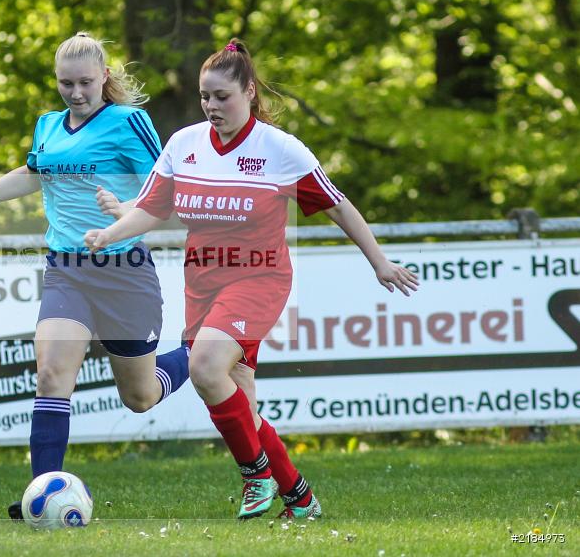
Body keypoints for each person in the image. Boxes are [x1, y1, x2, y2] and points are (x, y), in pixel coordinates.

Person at [85, 39, 419, 520]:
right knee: (237, 398)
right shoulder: (185, 144)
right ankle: (300, 498)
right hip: (202, 282)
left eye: (222, 96)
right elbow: (151, 209)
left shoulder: (279, 149)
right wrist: (112, 232)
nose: (211, 106)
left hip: (259, 279)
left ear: (249, 91)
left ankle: (254, 473)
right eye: (205, 96)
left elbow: (337, 204)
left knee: (203, 366)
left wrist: (379, 262)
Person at [0, 32, 190, 519]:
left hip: (124, 273)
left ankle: (194, 353)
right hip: (67, 270)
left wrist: (124, 207)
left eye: (85, 82)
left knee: (140, 396)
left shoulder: (130, 121)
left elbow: (165, 190)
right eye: (66, 84)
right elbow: (29, 175)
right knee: (50, 375)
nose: (76, 93)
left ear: (104, 77)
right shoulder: (47, 125)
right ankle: (39, 493)